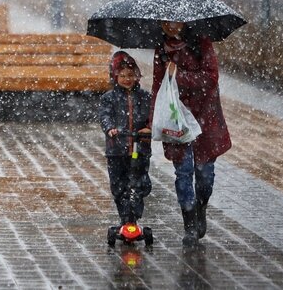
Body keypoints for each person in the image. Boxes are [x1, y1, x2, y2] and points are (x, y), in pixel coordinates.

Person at [152, 21, 231, 247]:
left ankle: (201, 205)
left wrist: (179, 75)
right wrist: (152, 122)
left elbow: (210, 78)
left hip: (206, 117)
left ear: (184, 21)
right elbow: (158, 87)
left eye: (173, 20)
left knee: (205, 175)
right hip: (177, 119)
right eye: (164, 22)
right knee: (183, 172)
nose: (169, 26)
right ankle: (189, 225)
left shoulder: (201, 43)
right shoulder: (161, 49)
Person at [99, 51, 153, 227]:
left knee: (139, 181)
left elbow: (152, 116)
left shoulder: (145, 97)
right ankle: (124, 217)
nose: (127, 79)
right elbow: (105, 116)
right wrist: (110, 129)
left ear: (137, 76)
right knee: (118, 184)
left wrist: (149, 127)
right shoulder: (109, 98)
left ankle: (135, 209)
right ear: (115, 77)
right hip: (117, 150)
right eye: (122, 76)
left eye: (130, 75)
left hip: (139, 148)